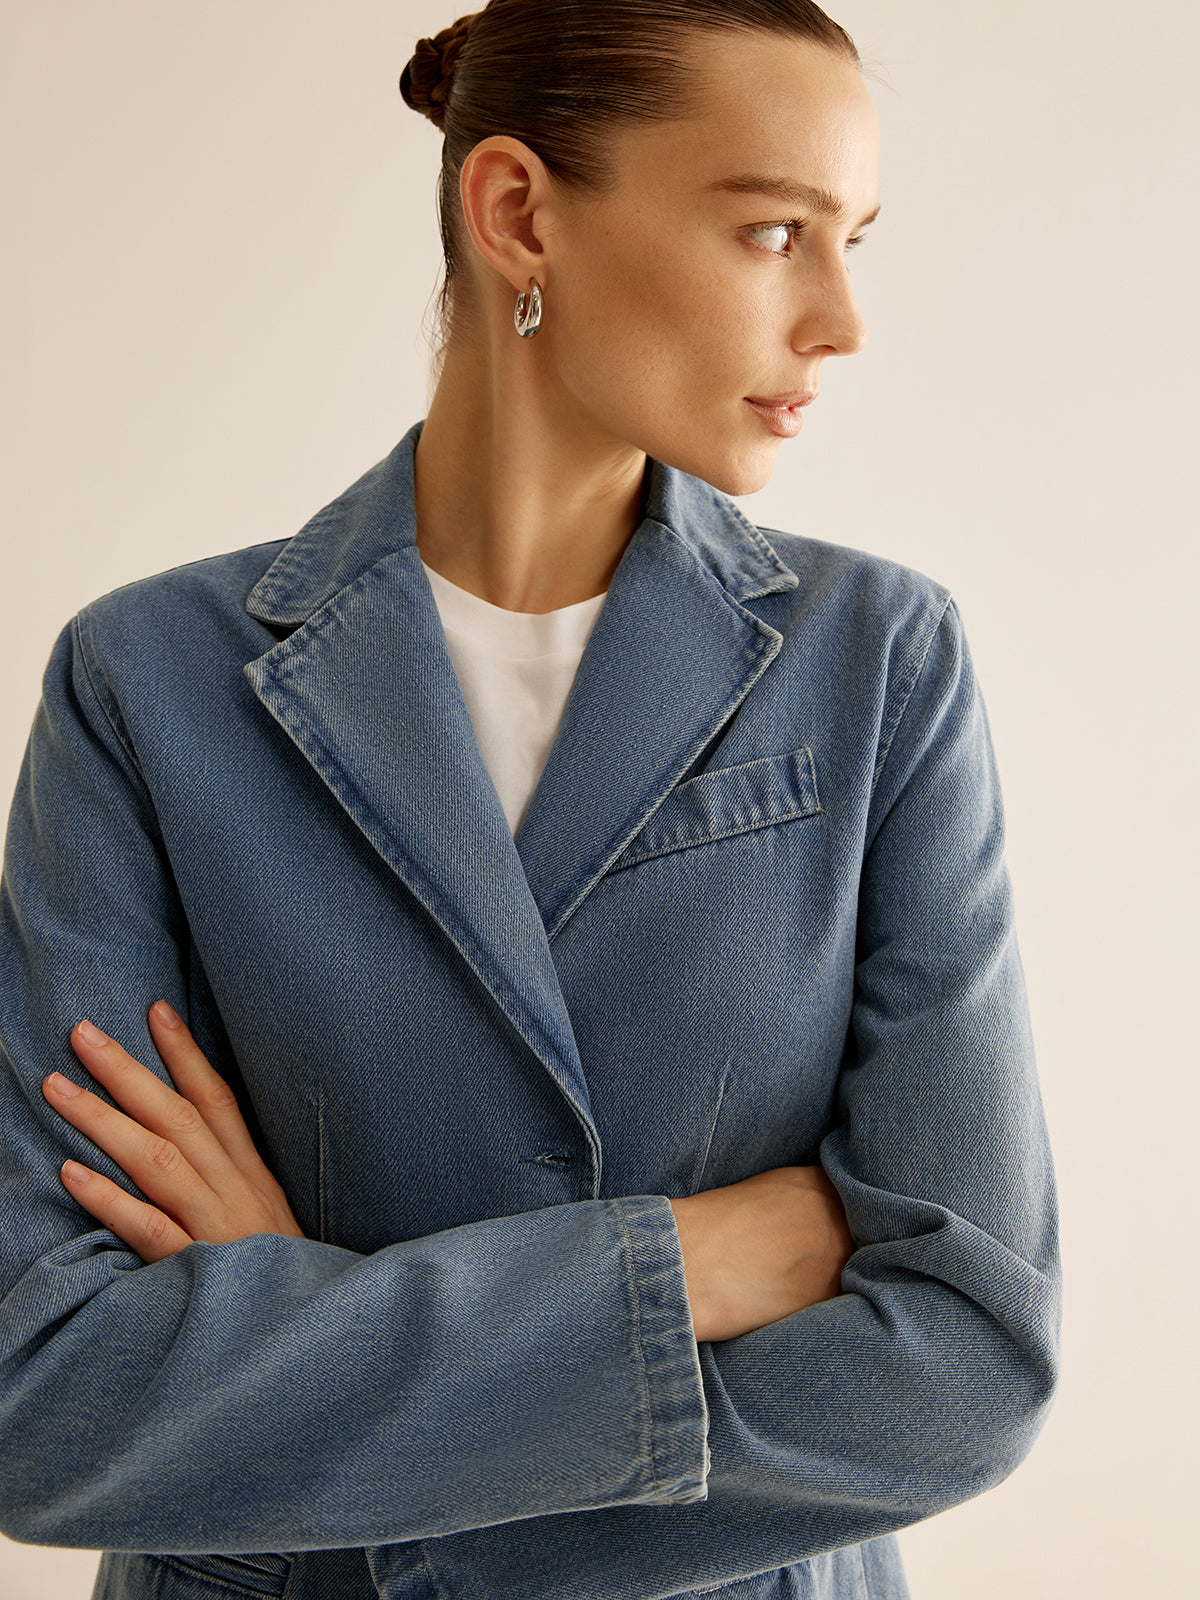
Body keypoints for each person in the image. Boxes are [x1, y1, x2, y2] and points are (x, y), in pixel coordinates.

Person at [0, 3, 1062, 1598]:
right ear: (517, 213)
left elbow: (965, 1364)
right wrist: (683, 1267)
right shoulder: (147, 684)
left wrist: (299, 1351)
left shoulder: (881, 662)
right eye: (774, 232)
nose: (842, 321)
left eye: (852, 243)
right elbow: (42, 1393)